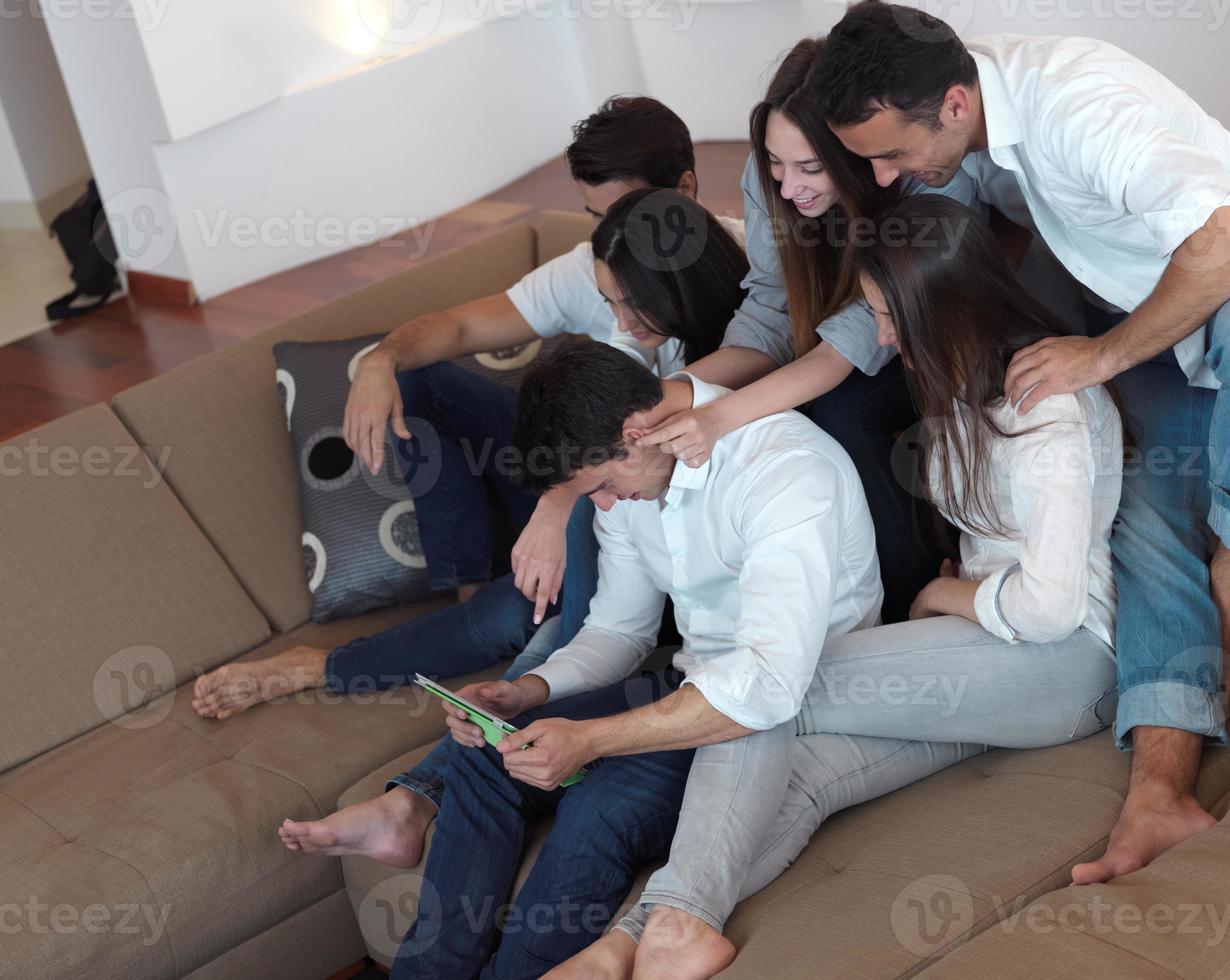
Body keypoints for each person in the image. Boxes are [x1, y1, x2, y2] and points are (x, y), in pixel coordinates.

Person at [558, 194, 1123, 979]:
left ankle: (679, 922)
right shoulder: (964, 381)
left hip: (1065, 663)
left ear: (946, 303)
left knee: (770, 685)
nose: (883, 338)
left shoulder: (1047, 408)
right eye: (876, 314)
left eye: (890, 317)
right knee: (806, 775)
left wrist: (937, 596)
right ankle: (637, 935)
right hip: (989, 661)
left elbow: (1051, 606)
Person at [281, 339, 968, 979]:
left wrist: (591, 739)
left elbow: (765, 683)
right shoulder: (633, 477)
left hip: (780, 712)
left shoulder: (785, 471)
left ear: (637, 431)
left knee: (602, 808)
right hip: (689, 680)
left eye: (602, 484)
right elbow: (619, 630)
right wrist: (532, 693)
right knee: (482, 752)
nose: (603, 506)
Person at [812, 0, 1230, 884]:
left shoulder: (1079, 105)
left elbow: (1220, 237)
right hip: (1156, 303)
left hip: (1211, 283)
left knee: (1227, 542)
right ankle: (1162, 797)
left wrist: (1101, 356)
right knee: (1152, 544)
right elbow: (938, 255)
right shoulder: (961, 115)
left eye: (890, 153)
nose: (885, 177)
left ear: (956, 105)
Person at [269, 195, 750, 876]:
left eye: (629, 306)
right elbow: (467, 328)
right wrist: (377, 361)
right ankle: (476, 589)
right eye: (588, 206)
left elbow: (620, 443)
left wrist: (560, 507)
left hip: (640, 518)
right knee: (424, 381)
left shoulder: (746, 328)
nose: (616, 322)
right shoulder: (615, 283)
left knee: (530, 613)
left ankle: (414, 791)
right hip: (598, 481)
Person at [636, 37, 1085, 623]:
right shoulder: (771, 174)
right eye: (774, 163)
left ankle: (904, 610)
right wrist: (680, 390)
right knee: (770, 406)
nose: (788, 186)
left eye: (810, 168)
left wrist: (716, 414)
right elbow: (771, 302)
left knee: (842, 411)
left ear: (858, 150)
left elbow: (852, 345)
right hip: (877, 331)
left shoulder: (920, 172)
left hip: (954, 335)